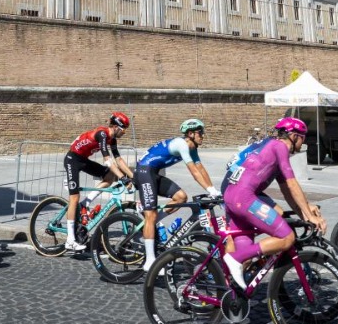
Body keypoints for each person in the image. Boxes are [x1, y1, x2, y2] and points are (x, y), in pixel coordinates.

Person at [219, 117, 325, 290]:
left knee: (246, 258)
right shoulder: (280, 147)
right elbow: (292, 183)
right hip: (243, 199)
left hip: (232, 197)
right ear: (294, 136)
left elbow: (287, 191)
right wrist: (310, 216)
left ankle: (231, 297)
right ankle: (233, 258)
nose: (303, 143)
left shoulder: (271, 149)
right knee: (287, 237)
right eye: (303, 138)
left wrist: (305, 213)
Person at [134, 118, 215, 270]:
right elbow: (194, 172)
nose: (203, 135)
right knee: (150, 215)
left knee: (181, 197)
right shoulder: (181, 144)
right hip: (144, 171)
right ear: (190, 134)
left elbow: (200, 168)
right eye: (200, 132)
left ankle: (151, 222)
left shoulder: (192, 148)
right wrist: (209, 190)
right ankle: (150, 261)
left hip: (153, 172)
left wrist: (213, 189)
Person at [62, 113, 134, 252]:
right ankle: (70, 240)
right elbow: (108, 161)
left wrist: (133, 177)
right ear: (115, 126)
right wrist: (123, 178)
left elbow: (118, 160)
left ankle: (85, 203)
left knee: (109, 177)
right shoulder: (102, 134)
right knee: (74, 198)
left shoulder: (112, 139)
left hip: (83, 160)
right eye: (123, 128)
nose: (124, 132)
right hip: (72, 160)